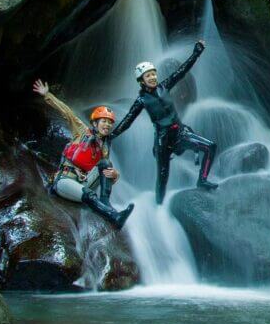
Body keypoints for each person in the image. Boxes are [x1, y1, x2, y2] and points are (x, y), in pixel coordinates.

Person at [111, 40, 218, 205]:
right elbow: (128, 120)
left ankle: (202, 180)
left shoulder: (164, 86)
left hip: (180, 133)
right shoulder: (141, 100)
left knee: (210, 146)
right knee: (162, 176)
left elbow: (181, 71)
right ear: (141, 80)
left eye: (153, 74)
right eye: (148, 75)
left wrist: (196, 52)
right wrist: (112, 135)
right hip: (163, 140)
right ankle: (159, 206)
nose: (152, 77)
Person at [32, 79, 134, 229]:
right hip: (65, 181)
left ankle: (105, 204)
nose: (107, 125)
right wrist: (47, 95)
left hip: (83, 182)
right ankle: (114, 217)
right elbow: (67, 112)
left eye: (110, 123)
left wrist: (115, 175)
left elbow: (108, 175)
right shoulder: (81, 131)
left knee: (106, 164)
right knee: (89, 195)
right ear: (95, 123)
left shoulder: (103, 147)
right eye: (104, 121)